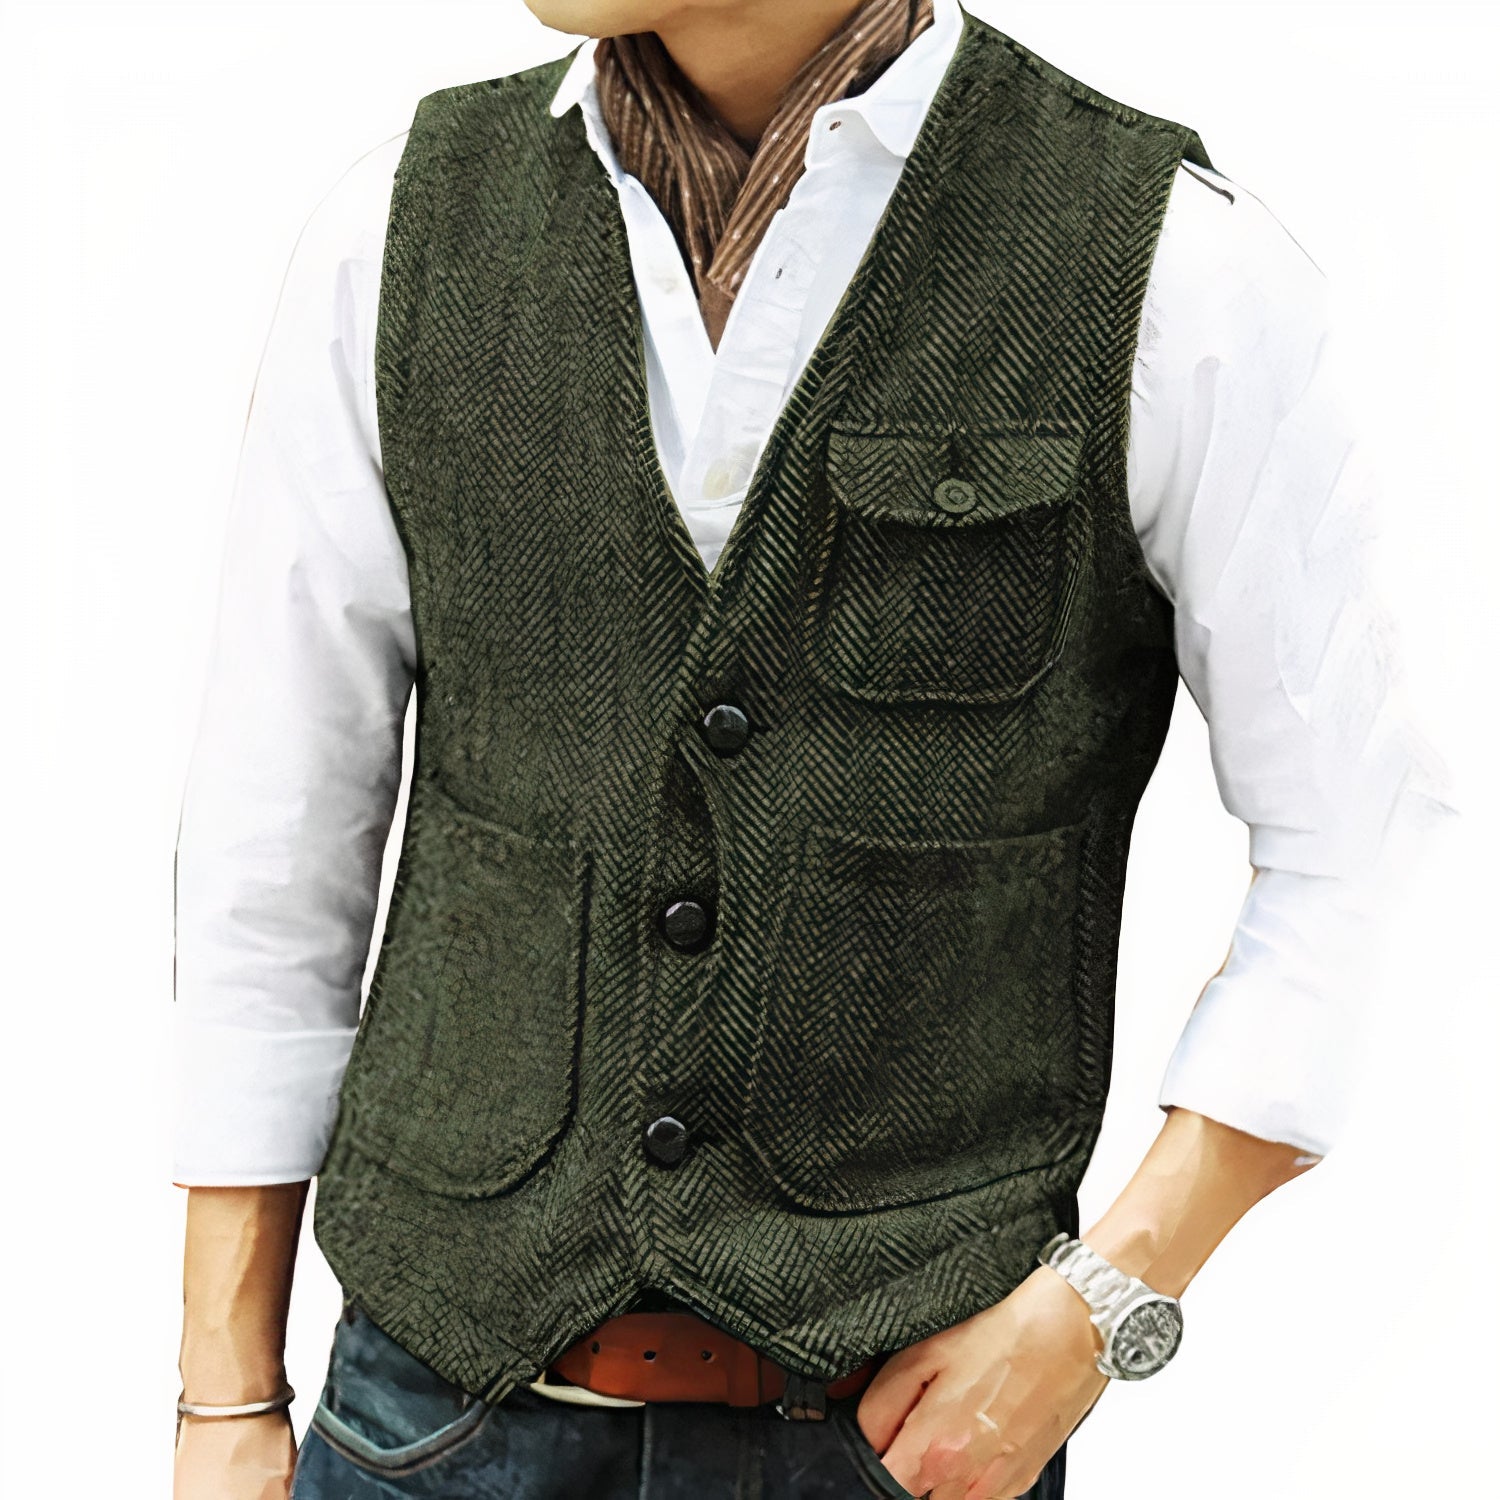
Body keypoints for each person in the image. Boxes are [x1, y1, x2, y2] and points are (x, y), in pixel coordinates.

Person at [170, 1, 1447, 1497]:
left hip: (891, 1444)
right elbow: (277, 838)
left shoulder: (1168, 261)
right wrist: (222, 1400)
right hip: (433, 1424)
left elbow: (1370, 835)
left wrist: (1105, 1303)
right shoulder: (400, 230)